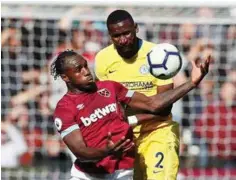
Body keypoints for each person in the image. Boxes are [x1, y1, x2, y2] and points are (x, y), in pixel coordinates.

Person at [51, 49, 210, 180]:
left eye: (86, 65)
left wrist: (192, 82)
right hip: (88, 175)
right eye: (79, 69)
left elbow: (152, 104)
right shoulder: (64, 109)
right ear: (65, 77)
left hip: (122, 171)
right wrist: (107, 151)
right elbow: (80, 152)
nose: (86, 71)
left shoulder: (110, 87)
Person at [94, 10, 177, 179]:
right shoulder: (103, 59)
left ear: (136, 28)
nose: (123, 40)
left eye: (127, 33)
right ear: (110, 36)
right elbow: (105, 103)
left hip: (158, 131)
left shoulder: (157, 54)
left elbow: (163, 108)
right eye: (117, 36)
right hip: (125, 138)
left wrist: (128, 115)